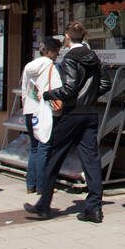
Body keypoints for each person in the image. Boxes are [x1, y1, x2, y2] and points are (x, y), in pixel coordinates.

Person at [25, 23, 108, 222]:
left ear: (67, 38)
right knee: (91, 159)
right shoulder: (94, 57)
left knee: (54, 155)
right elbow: (106, 83)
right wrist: (90, 98)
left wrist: (48, 94)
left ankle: (44, 204)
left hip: (72, 114)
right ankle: (94, 207)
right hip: (89, 113)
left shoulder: (70, 58)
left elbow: (70, 88)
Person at [19, 38, 61, 194]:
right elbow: (57, 90)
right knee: (45, 147)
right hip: (45, 112)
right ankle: (43, 186)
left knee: (34, 148)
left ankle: (31, 185)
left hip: (30, 111)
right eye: (56, 51)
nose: (57, 54)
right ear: (49, 51)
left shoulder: (28, 66)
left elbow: (25, 89)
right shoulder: (51, 67)